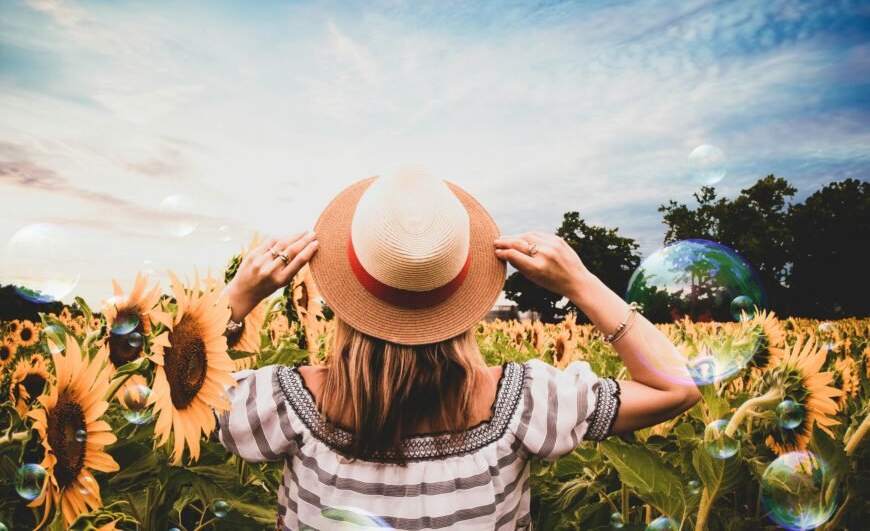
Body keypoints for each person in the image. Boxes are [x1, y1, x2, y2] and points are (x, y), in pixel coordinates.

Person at [215, 164, 702, 530]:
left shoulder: (284, 404)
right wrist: (580, 281)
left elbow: (171, 392)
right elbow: (678, 388)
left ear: (346, 295)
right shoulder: (524, 404)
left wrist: (236, 300)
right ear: (465, 296)